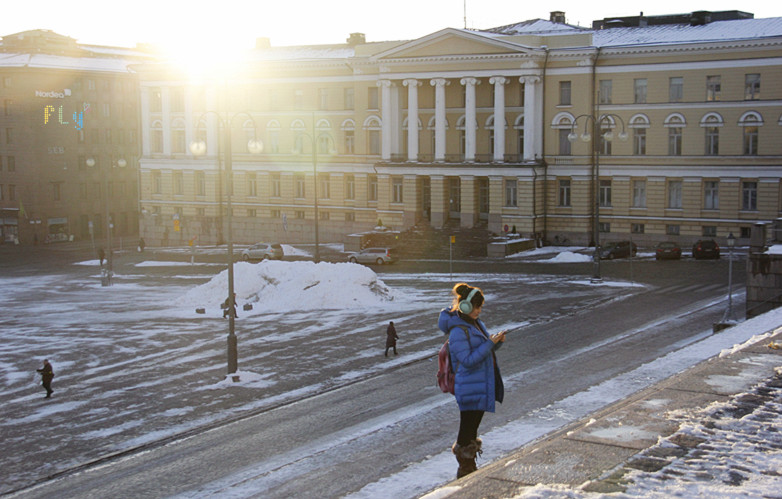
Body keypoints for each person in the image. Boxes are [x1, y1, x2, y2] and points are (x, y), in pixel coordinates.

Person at [437, 283, 507, 478]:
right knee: (466, 431)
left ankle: (469, 467)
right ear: (465, 306)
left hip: (480, 384)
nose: (479, 310)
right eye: (476, 306)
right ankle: (465, 470)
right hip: (469, 386)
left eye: (481, 307)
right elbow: (467, 361)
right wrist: (488, 344)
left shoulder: (475, 324)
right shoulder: (459, 331)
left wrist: (495, 344)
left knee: (472, 430)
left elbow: (483, 352)